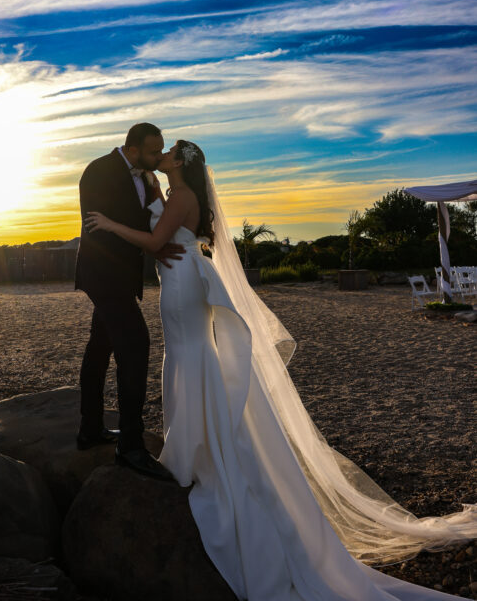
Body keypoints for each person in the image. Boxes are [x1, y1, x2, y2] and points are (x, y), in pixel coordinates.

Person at [86, 140, 477, 601]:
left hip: (182, 285)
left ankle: (195, 452)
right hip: (179, 281)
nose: (164, 153)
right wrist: (153, 192)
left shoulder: (184, 197)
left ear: (183, 164)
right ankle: (193, 442)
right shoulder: (173, 194)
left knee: (189, 355)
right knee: (187, 356)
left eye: (171, 151)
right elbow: (163, 231)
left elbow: (156, 243)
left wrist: (109, 224)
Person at [75, 122, 183, 479]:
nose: (159, 155)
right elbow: (100, 229)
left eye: (162, 149)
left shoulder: (148, 178)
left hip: (122, 277)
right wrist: (151, 246)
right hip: (104, 275)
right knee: (136, 345)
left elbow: (149, 222)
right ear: (132, 149)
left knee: (99, 346)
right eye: (154, 151)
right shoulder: (98, 171)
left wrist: (157, 243)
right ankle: (131, 446)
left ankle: (90, 429)